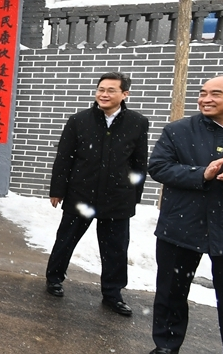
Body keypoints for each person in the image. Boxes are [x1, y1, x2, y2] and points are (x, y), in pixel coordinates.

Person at [45, 72, 149, 317]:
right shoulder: (79, 120)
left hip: (118, 197)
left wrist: (134, 196)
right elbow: (64, 158)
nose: (104, 94)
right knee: (66, 240)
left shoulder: (137, 122)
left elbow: (139, 162)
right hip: (81, 193)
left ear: (125, 94)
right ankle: (54, 278)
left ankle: (113, 293)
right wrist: (57, 190)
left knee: (115, 249)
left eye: (111, 90)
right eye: (101, 89)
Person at [147, 75, 223, 354]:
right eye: (202, 93)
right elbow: (158, 167)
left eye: (215, 94)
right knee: (172, 289)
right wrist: (201, 174)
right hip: (182, 223)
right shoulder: (178, 130)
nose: (205, 99)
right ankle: (166, 344)